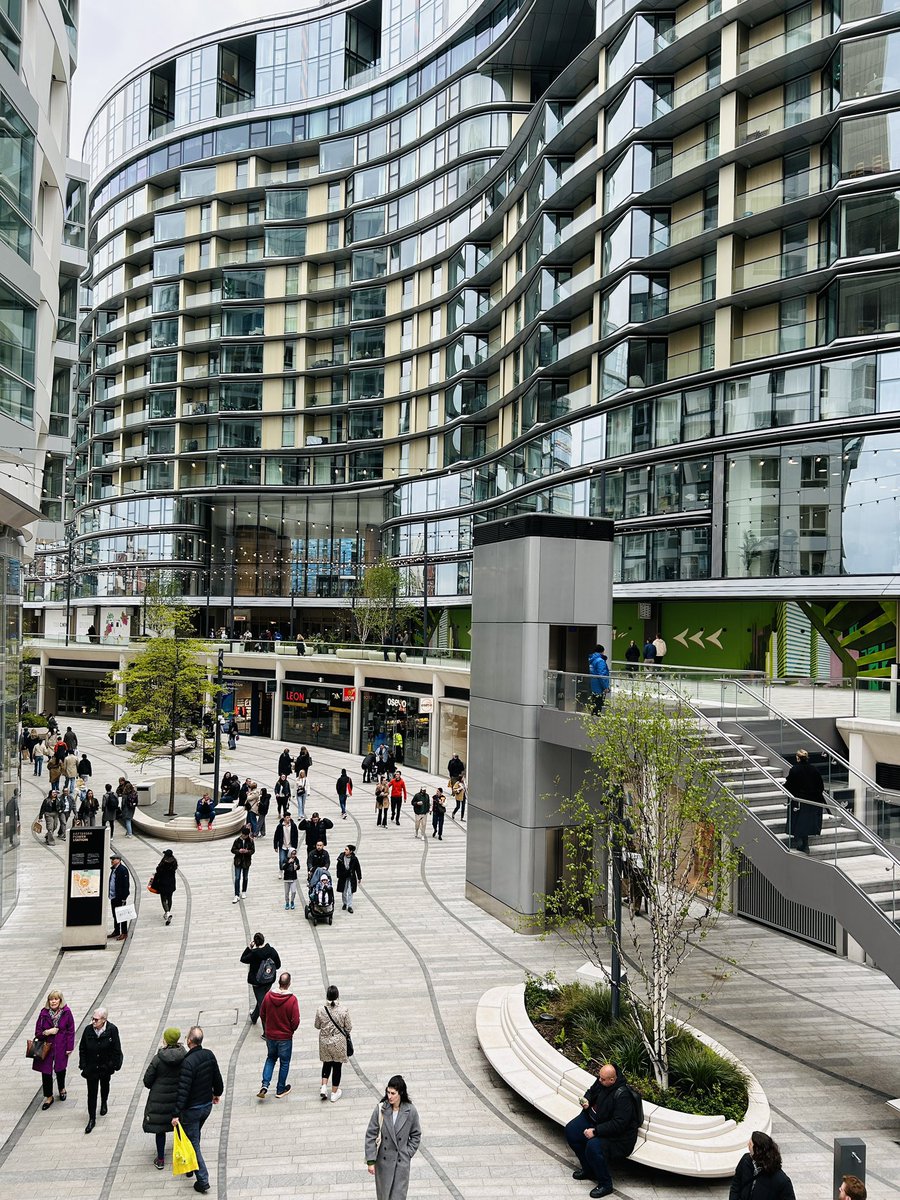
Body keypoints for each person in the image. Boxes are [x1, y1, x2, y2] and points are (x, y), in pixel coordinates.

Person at [565, 1062, 641, 1198]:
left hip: (617, 1136)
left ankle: (605, 1184)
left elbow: (619, 1125)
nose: (599, 1080)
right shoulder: (602, 1080)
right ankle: (588, 1169)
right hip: (592, 1119)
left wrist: (595, 1131)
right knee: (571, 1131)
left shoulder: (623, 1096)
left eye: (603, 1079)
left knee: (593, 1147)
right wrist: (587, 1100)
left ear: (612, 1080)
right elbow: (591, 1091)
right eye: (599, 1078)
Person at [171, 1026, 223, 1195]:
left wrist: (175, 1114)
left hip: (192, 1110)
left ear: (189, 1041)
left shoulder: (188, 1062)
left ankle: (203, 1180)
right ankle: (190, 1166)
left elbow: (183, 1091)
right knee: (194, 1136)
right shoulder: (209, 1055)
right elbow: (218, 1078)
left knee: (193, 1143)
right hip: (206, 1107)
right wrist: (217, 1094)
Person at [365, 1075, 422, 1200]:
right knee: (384, 1196)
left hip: (401, 1163)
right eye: (388, 1092)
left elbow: (416, 1134)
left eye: (393, 1093)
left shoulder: (410, 1111)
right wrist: (370, 1161)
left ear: (400, 1093)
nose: (389, 1096)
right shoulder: (381, 1109)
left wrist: (408, 1152)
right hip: (383, 1163)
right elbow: (370, 1134)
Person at [143, 1028, 186, 1170]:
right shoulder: (185, 1057)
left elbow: (147, 1080)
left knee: (160, 1129)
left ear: (166, 1040)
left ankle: (160, 1159)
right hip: (178, 1097)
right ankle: (182, 1156)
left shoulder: (158, 1058)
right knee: (179, 1128)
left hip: (159, 1099)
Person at [79, 1007, 123, 1134]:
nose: (93, 1021)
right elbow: (82, 1048)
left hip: (105, 1066)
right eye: (92, 1019)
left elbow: (116, 1049)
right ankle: (92, 1118)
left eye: (96, 1019)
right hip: (92, 1067)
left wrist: (113, 1064)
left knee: (105, 1085)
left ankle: (104, 1101)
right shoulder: (88, 1030)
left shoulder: (112, 1030)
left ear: (104, 1020)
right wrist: (83, 1064)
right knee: (91, 1093)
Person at [258, 971, 300, 1099]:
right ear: (289, 984)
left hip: (271, 1036)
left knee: (270, 1058)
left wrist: (268, 1027)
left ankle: (265, 1085)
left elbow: (262, 1013)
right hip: (285, 1037)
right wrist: (291, 1030)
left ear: (279, 982)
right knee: (284, 1062)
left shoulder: (268, 996)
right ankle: (280, 1088)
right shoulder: (292, 1000)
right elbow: (295, 1020)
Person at [33, 988, 76, 1109]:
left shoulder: (66, 1012)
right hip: (46, 1046)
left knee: (60, 1068)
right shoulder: (43, 1013)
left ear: (60, 1000)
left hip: (61, 1045)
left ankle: (62, 1088)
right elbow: (38, 1032)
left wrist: (69, 1047)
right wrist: (48, 1032)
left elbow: (70, 1030)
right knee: (46, 1071)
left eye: (56, 999)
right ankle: (49, 1096)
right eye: (51, 999)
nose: (53, 1001)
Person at [728, 1131, 796, 1200]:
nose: (748, 1145)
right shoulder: (746, 1160)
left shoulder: (782, 1181)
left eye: (750, 1144)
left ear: (757, 1150)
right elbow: (736, 1184)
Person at [315, 984, 352, 1102]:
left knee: (326, 1063)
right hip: (339, 1043)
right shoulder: (343, 1010)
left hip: (324, 1041)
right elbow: (349, 1027)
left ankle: (324, 1086)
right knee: (337, 1066)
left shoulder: (320, 1010)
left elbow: (317, 1025)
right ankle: (334, 1093)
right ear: (337, 996)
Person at [784, 749, 824, 854]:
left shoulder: (794, 770)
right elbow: (820, 786)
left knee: (798, 820)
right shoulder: (814, 769)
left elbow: (789, 785)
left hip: (799, 800)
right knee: (806, 821)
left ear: (797, 758)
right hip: (812, 801)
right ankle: (804, 843)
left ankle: (801, 842)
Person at [241, 932, 282, 1024]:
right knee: (261, 1000)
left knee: (262, 1003)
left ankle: (266, 1032)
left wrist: (249, 948)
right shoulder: (272, 951)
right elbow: (278, 965)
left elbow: (243, 959)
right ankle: (254, 1016)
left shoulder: (254, 954)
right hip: (269, 980)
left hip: (257, 983)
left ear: (255, 942)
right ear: (264, 939)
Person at [152, 848, 178, 925]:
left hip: (163, 883)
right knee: (169, 898)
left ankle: (167, 912)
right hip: (171, 883)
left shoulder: (163, 862)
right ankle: (167, 913)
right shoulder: (174, 861)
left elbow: (158, 870)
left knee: (163, 899)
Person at [108, 853, 130, 941]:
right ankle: (116, 930)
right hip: (113, 896)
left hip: (120, 897)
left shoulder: (123, 870)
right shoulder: (114, 869)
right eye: (111, 859)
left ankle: (124, 933)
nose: (112, 861)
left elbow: (126, 885)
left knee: (122, 914)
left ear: (119, 860)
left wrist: (124, 897)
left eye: (114, 859)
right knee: (115, 914)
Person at [231, 824, 255, 902]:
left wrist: (247, 851)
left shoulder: (250, 841)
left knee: (245, 877)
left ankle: (244, 891)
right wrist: (239, 851)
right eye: (243, 835)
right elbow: (232, 850)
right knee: (237, 878)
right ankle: (236, 894)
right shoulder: (237, 840)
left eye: (245, 835)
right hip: (238, 861)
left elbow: (253, 850)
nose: (243, 836)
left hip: (246, 862)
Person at [336, 844, 362, 913]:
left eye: (347, 850)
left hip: (351, 877)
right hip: (343, 877)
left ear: (350, 851)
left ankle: (349, 906)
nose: (345, 851)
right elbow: (338, 867)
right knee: (344, 891)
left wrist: (359, 877)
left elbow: (357, 868)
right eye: (345, 849)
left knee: (350, 892)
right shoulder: (341, 857)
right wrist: (338, 875)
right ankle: (345, 903)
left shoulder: (354, 859)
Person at [588, 644, 610, 714]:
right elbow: (602, 675)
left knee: (594, 706)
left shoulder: (592, 660)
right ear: (602, 651)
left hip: (593, 686)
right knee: (598, 706)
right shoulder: (600, 661)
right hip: (599, 687)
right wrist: (606, 687)